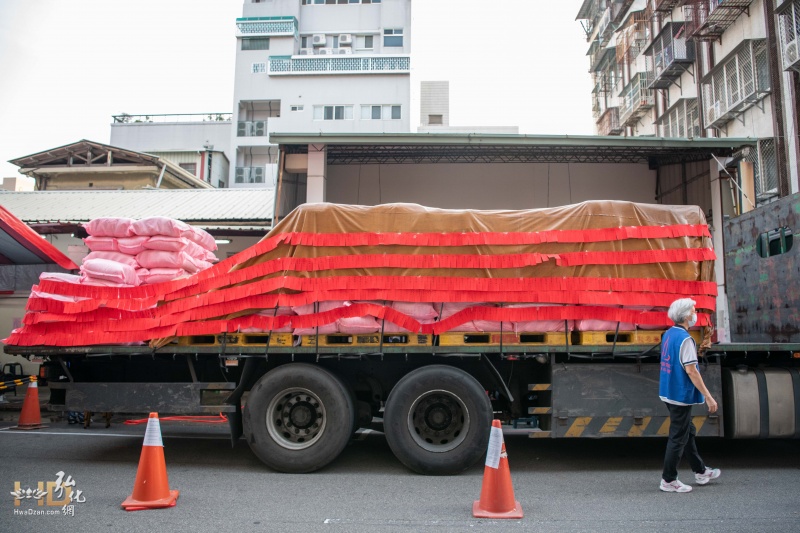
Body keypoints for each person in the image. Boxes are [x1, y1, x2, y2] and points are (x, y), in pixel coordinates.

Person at [659, 298, 721, 493]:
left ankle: (701, 471)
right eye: (694, 311)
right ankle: (668, 480)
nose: (695, 314)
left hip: (669, 392)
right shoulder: (686, 340)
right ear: (686, 315)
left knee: (687, 432)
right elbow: (692, 371)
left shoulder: (669, 334)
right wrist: (709, 397)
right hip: (680, 394)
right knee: (678, 437)